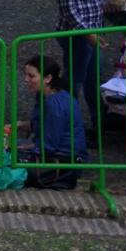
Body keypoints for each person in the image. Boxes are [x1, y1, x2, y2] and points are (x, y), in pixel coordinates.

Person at [50, 0, 108, 122]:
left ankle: (98, 122)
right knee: (74, 80)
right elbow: (69, 11)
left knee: (93, 79)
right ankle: (67, 123)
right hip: (77, 36)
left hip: (91, 32)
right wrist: (88, 34)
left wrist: (107, 4)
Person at [15, 55, 87, 189]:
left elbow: (47, 146)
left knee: (3, 155)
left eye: (31, 76)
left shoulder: (53, 104)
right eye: (26, 75)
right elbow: (42, 125)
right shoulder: (54, 95)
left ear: (47, 78)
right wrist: (19, 124)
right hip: (60, 156)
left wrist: (20, 148)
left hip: (63, 163)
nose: (26, 80)